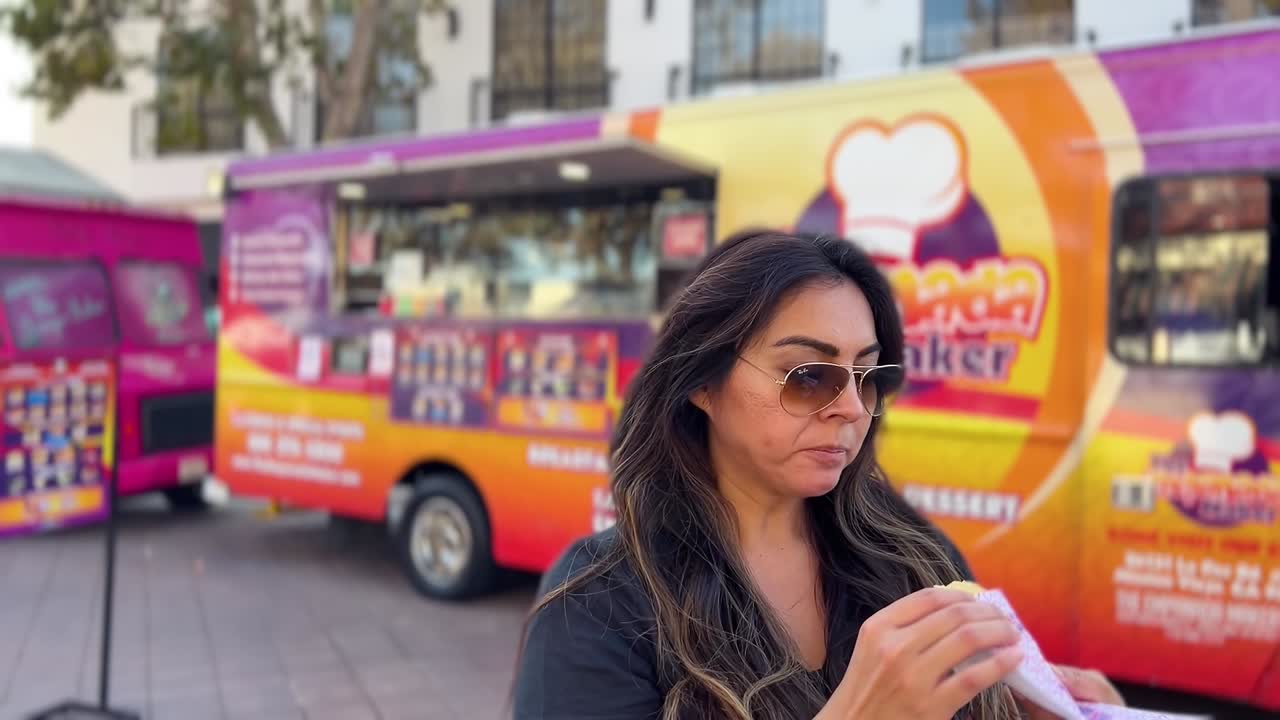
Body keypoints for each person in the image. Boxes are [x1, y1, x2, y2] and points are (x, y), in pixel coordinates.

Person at [513, 231, 1123, 719]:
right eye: (808, 376)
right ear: (702, 381)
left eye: (866, 376)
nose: (851, 408)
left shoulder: (917, 561)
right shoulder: (600, 599)